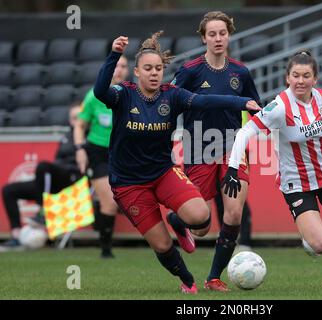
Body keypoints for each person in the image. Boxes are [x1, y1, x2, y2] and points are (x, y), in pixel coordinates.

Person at [93, 32, 260, 294]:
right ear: (136, 72)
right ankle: (187, 278)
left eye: (158, 68)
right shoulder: (123, 95)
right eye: (148, 68)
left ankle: (180, 225)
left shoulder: (172, 95)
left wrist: (241, 102)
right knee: (161, 245)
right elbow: (99, 90)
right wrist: (114, 55)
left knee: (201, 216)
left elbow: (206, 101)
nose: (154, 73)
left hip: (163, 173)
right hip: (129, 184)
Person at [222, 49, 322, 293]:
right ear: (287, 78)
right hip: (296, 184)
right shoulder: (279, 107)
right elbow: (246, 132)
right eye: (296, 75)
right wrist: (233, 167)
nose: (300, 81)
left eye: (306, 75)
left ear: (315, 79)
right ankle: (309, 236)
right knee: (320, 245)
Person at [169, 11, 260, 291]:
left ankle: (213, 277)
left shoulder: (240, 72)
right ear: (203, 37)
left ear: (229, 35)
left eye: (222, 33)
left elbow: (255, 108)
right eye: (212, 34)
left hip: (234, 148)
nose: (218, 38)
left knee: (233, 215)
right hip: (199, 148)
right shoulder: (190, 71)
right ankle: (177, 220)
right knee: (201, 226)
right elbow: (170, 102)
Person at [0, 104, 82, 251]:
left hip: (72, 180)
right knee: (8, 190)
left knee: (43, 166)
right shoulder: (66, 137)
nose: (77, 121)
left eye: (80, 117)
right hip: (52, 180)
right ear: (69, 120)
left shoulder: (89, 137)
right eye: (73, 118)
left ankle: (42, 211)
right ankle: (16, 236)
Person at [73, 54, 129, 258]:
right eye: (116, 66)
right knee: (109, 202)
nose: (119, 70)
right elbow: (80, 125)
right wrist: (80, 148)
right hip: (99, 152)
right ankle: (106, 249)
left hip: (123, 152)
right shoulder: (94, 96)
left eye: (124, 66)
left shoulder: (132, 94)